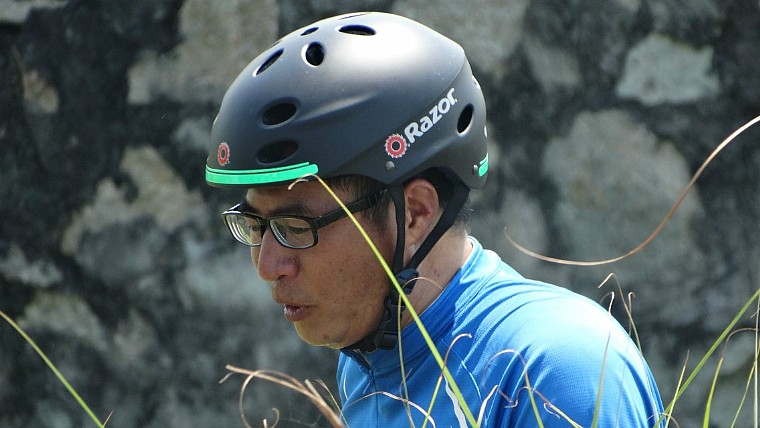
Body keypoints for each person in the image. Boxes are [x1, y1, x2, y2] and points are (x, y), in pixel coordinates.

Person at [205, 11, 665, 427]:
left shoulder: (558, 371)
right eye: (256, 226)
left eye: (294, 228)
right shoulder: (369, 359)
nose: (267, 266)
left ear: (417, 213)